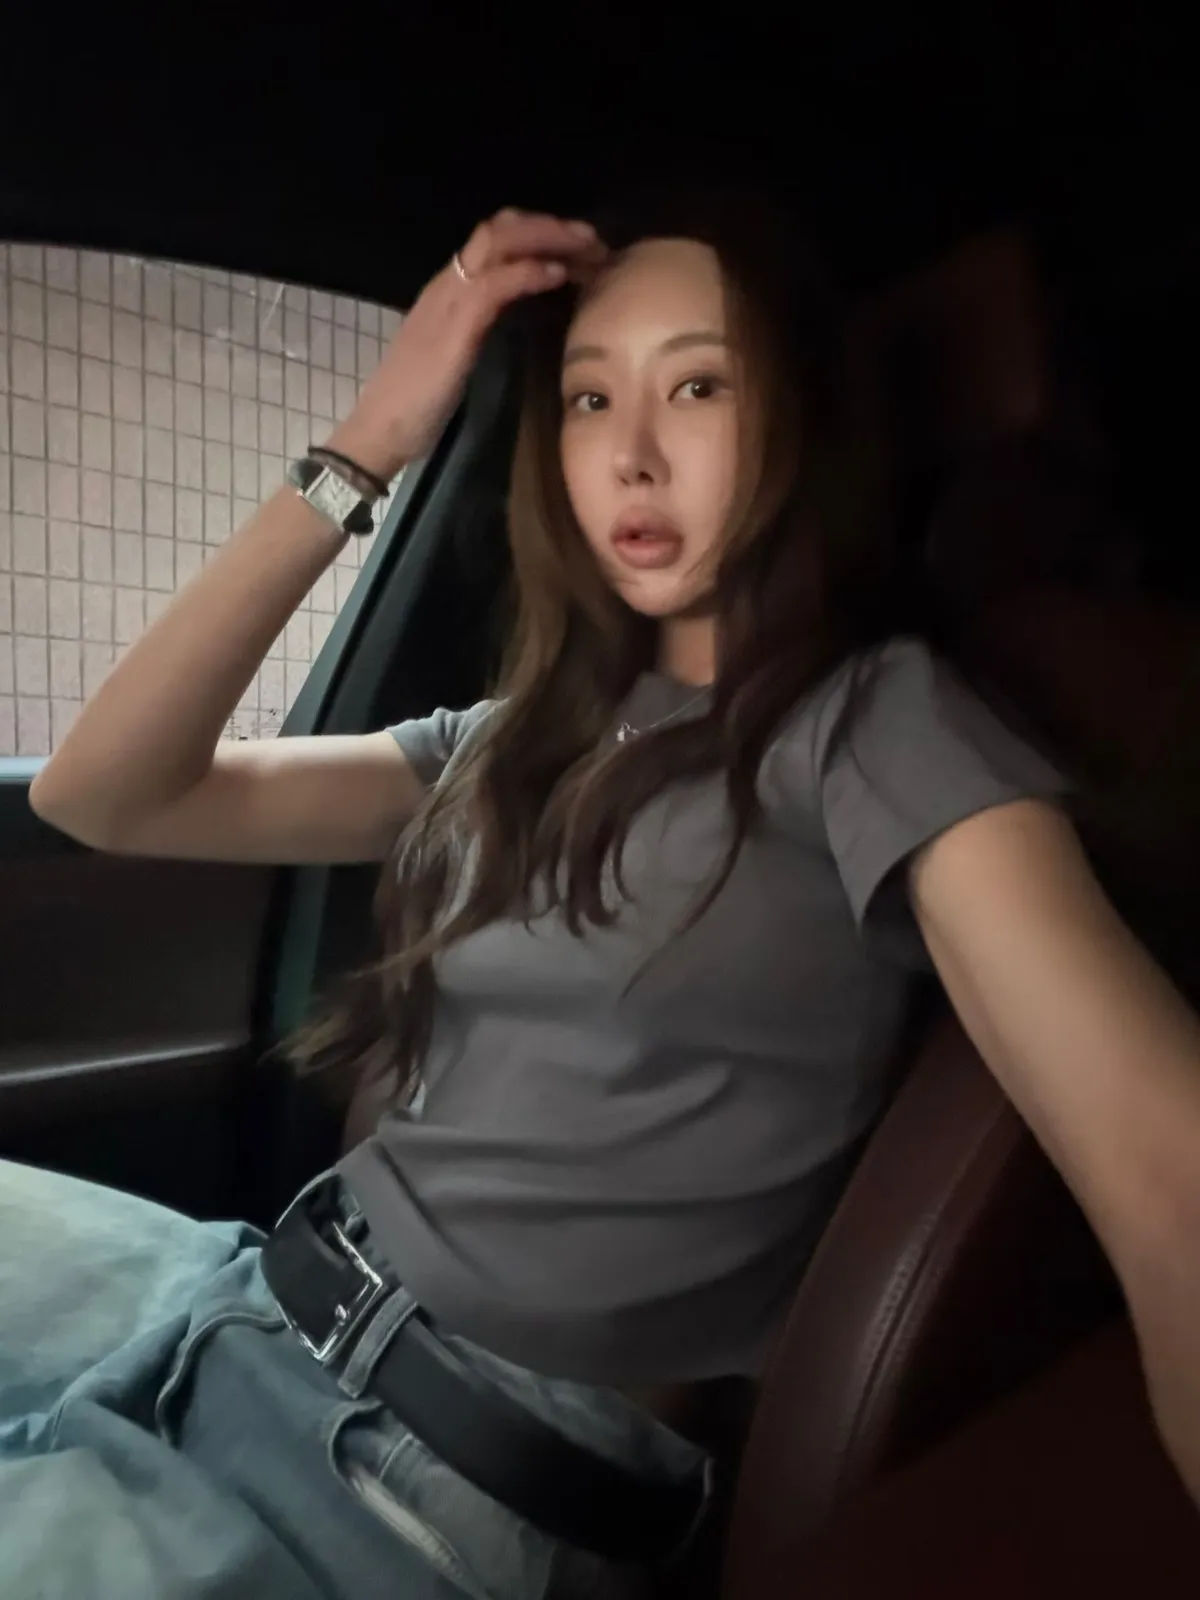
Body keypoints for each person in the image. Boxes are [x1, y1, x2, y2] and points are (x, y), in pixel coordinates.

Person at [7, 195, 1200, 1599]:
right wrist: (373, 436)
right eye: (588, 398)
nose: (631, 452)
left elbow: (1166, 1169)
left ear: (800, 422)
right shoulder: (518, 737)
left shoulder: (869, 724)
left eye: (698, 386)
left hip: (412, 1482)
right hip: (230, 1299)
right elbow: (104, 793)